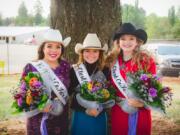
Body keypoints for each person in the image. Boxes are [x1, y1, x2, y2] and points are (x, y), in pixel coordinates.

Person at [106, 23, 156, 135]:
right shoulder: (112, 61)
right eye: (123, 39)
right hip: (119, 111)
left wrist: (142, 103)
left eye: (131, 39)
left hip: (140, 112)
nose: (127, 42)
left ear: (137, 41)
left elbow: (154, 89)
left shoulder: (146, 61)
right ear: (118, 42)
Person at [21, 29, 71, 135]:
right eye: (49, 46)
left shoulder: (66, 66)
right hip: (37, 122)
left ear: (62, 49)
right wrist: (40, 104)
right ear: (43, 48)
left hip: (60, 121)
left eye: (58, 47)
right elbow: (21, 94)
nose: (54, 50)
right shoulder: (31, 67)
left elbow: (69, 90)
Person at [69, 33, 110, 135]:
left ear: (100, 53)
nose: (91, 54)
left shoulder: (106, 70)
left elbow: (110, 94)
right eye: (87, 51)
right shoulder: (75, 70)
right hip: (80, 114)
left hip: (98, 114)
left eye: (95, 51)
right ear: (82, 53)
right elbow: (70, 92)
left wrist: (99, 108)